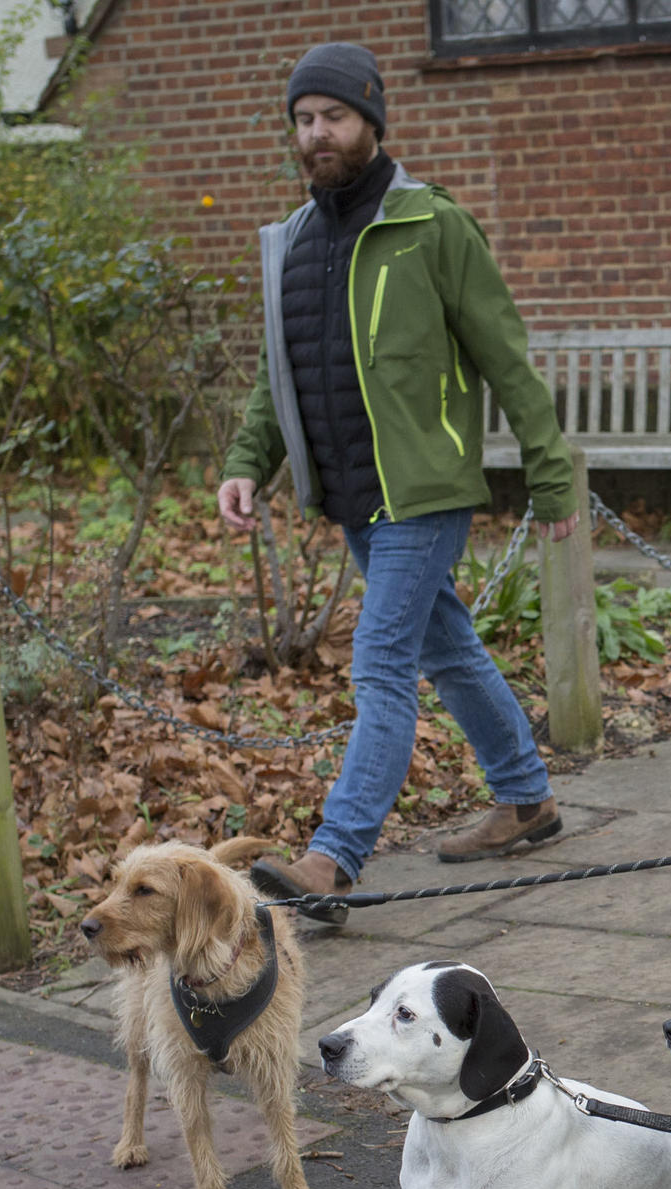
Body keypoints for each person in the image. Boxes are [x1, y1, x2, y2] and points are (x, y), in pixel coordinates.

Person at [218, 42, 578, 903]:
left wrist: (551, 473)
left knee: (380, 664)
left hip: (423, 491)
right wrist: (245, 464)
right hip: (352, 496)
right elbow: (285, 377)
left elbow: (507, 358)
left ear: (372, 121)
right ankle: (526, 798)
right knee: (446, 650)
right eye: (304, 120)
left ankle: (332, 858)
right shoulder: (294, 243)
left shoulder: (431, 225)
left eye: (334, 116)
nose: (317, 134)